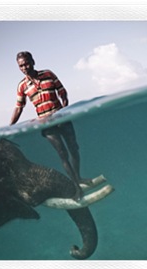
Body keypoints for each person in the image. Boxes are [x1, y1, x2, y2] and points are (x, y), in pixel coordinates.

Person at [10, 51, 91, 200]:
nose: (24, 67)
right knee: (63, 154)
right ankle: (77, 188)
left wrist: (64, 110)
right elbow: (19, 107)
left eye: (26, 63)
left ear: (33, 61)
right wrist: (9, 127)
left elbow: (62, 92)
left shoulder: (48, 74)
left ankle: (78, 177)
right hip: (45, 124)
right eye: (21, 66)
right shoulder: (22, 86)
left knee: (74, 148)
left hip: (61, 118)